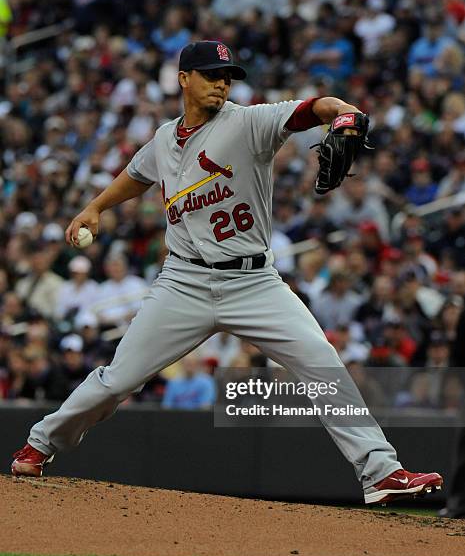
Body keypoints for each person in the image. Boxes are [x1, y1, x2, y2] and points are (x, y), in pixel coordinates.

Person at [11, 40, 442, 506]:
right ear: (183, 80)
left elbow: (312, 109)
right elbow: (138, 174)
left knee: (323, 365)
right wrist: (95, 206)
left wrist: (344, 114)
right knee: (119, 379)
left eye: (228, 76)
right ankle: (40, 444)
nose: (222, 83)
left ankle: (381, 472)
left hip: (254, 282)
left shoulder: (249, 122)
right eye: (212, 74)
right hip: (184, 282)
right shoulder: (162, 138)